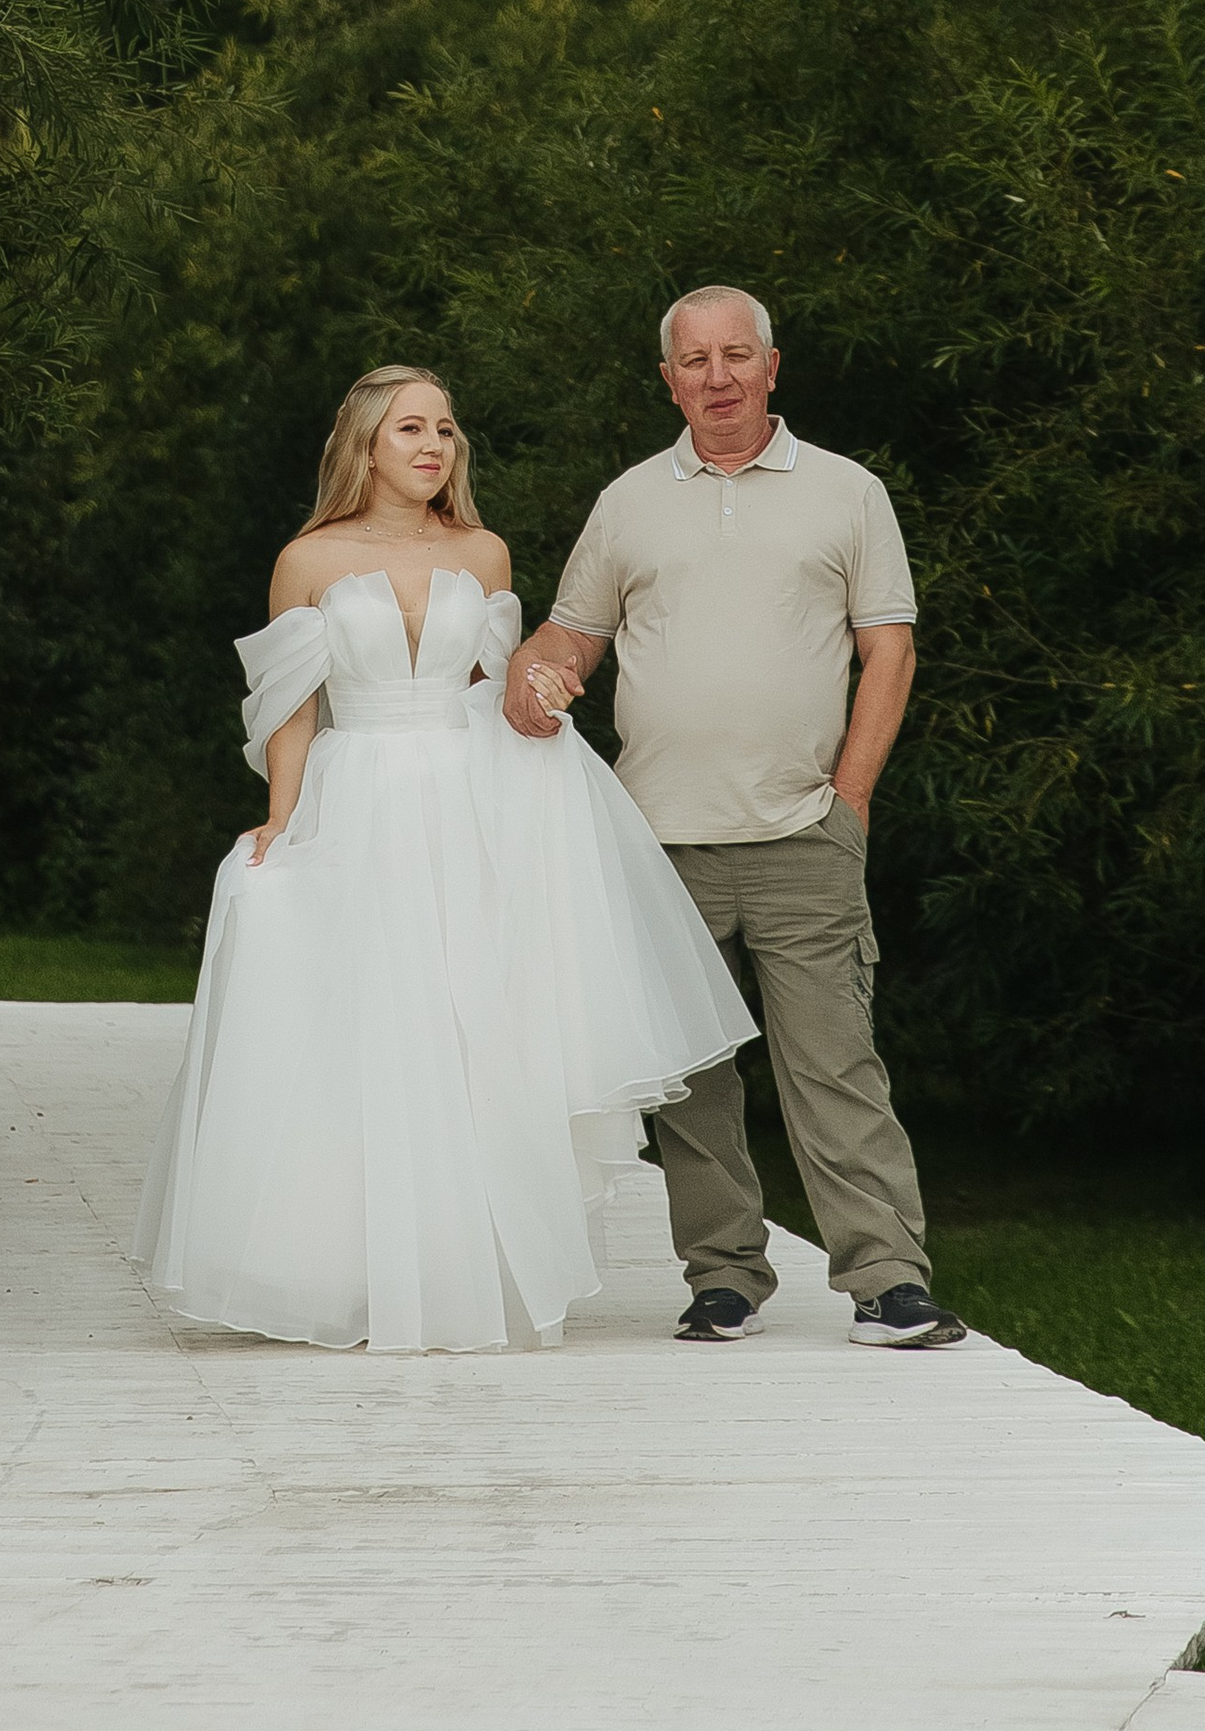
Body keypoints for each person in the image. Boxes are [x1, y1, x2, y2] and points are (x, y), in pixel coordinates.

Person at [133, 364, 754, 1353]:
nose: (434, 446)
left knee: (472, 1031)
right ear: (365, 446)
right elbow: (292, 703)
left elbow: (498, 685)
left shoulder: (484, 551)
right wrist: (279, 819)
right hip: (359, 797)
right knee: (367, 1030)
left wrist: (540, 691)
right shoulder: (308, 559)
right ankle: (348, 1269)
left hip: (470, 801)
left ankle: (465, 1265)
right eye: (410, 429)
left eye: (446, 430)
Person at [505, 287, 966, 1350]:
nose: (716, 377)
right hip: (655, 840)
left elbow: (887, 649)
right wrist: (539, 675)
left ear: (771, 367)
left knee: (834, 1064)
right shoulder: (628, 503)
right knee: (689, 1083)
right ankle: (722, 1278)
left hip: (803, 831)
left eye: (736, 356)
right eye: (694, 360)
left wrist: (847, 804)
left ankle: (886, 1280)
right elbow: (573, 635)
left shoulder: (848, 494)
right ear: (667, 379)